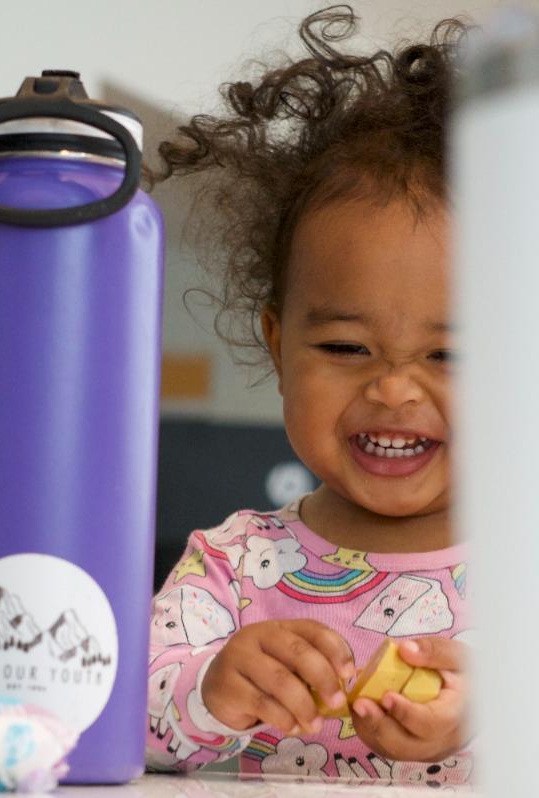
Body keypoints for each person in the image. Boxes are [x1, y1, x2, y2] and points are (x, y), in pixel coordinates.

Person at [145, 5, 473, 785]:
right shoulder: (232, 566)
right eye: (344, 348)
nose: (392, 388)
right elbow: (118, 724)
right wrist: (211, 689)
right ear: (278, 344)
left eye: (449, 354)